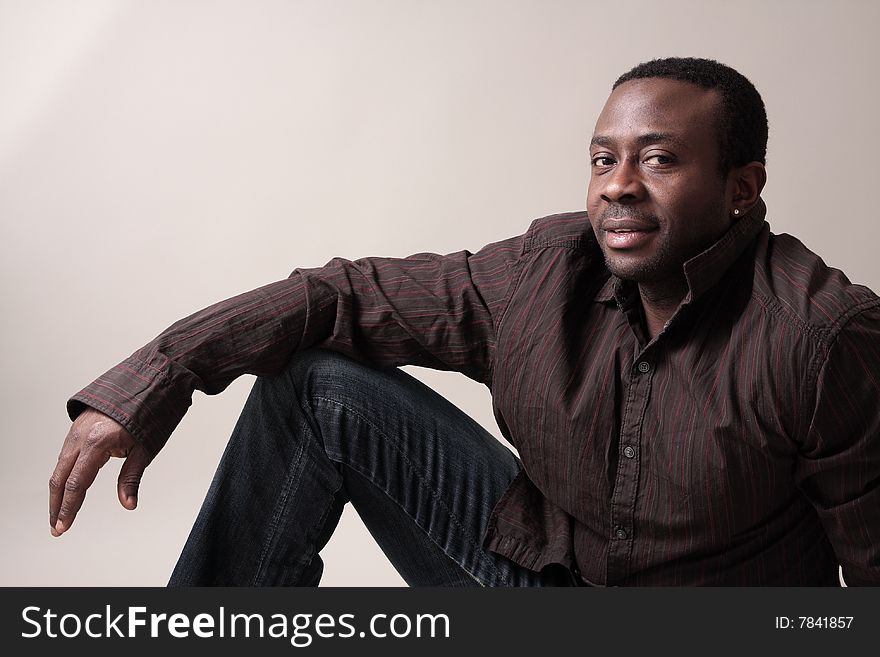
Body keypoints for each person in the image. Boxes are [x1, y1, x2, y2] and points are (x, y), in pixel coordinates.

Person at [49, 57, 880, 586]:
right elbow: (345, 293)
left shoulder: (823, 337)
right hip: (543, 579)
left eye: (659, 158)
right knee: (316, 386)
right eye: (603, 158)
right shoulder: (541, 273)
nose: (618, 185)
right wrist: (154, 378)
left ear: (743, 187)